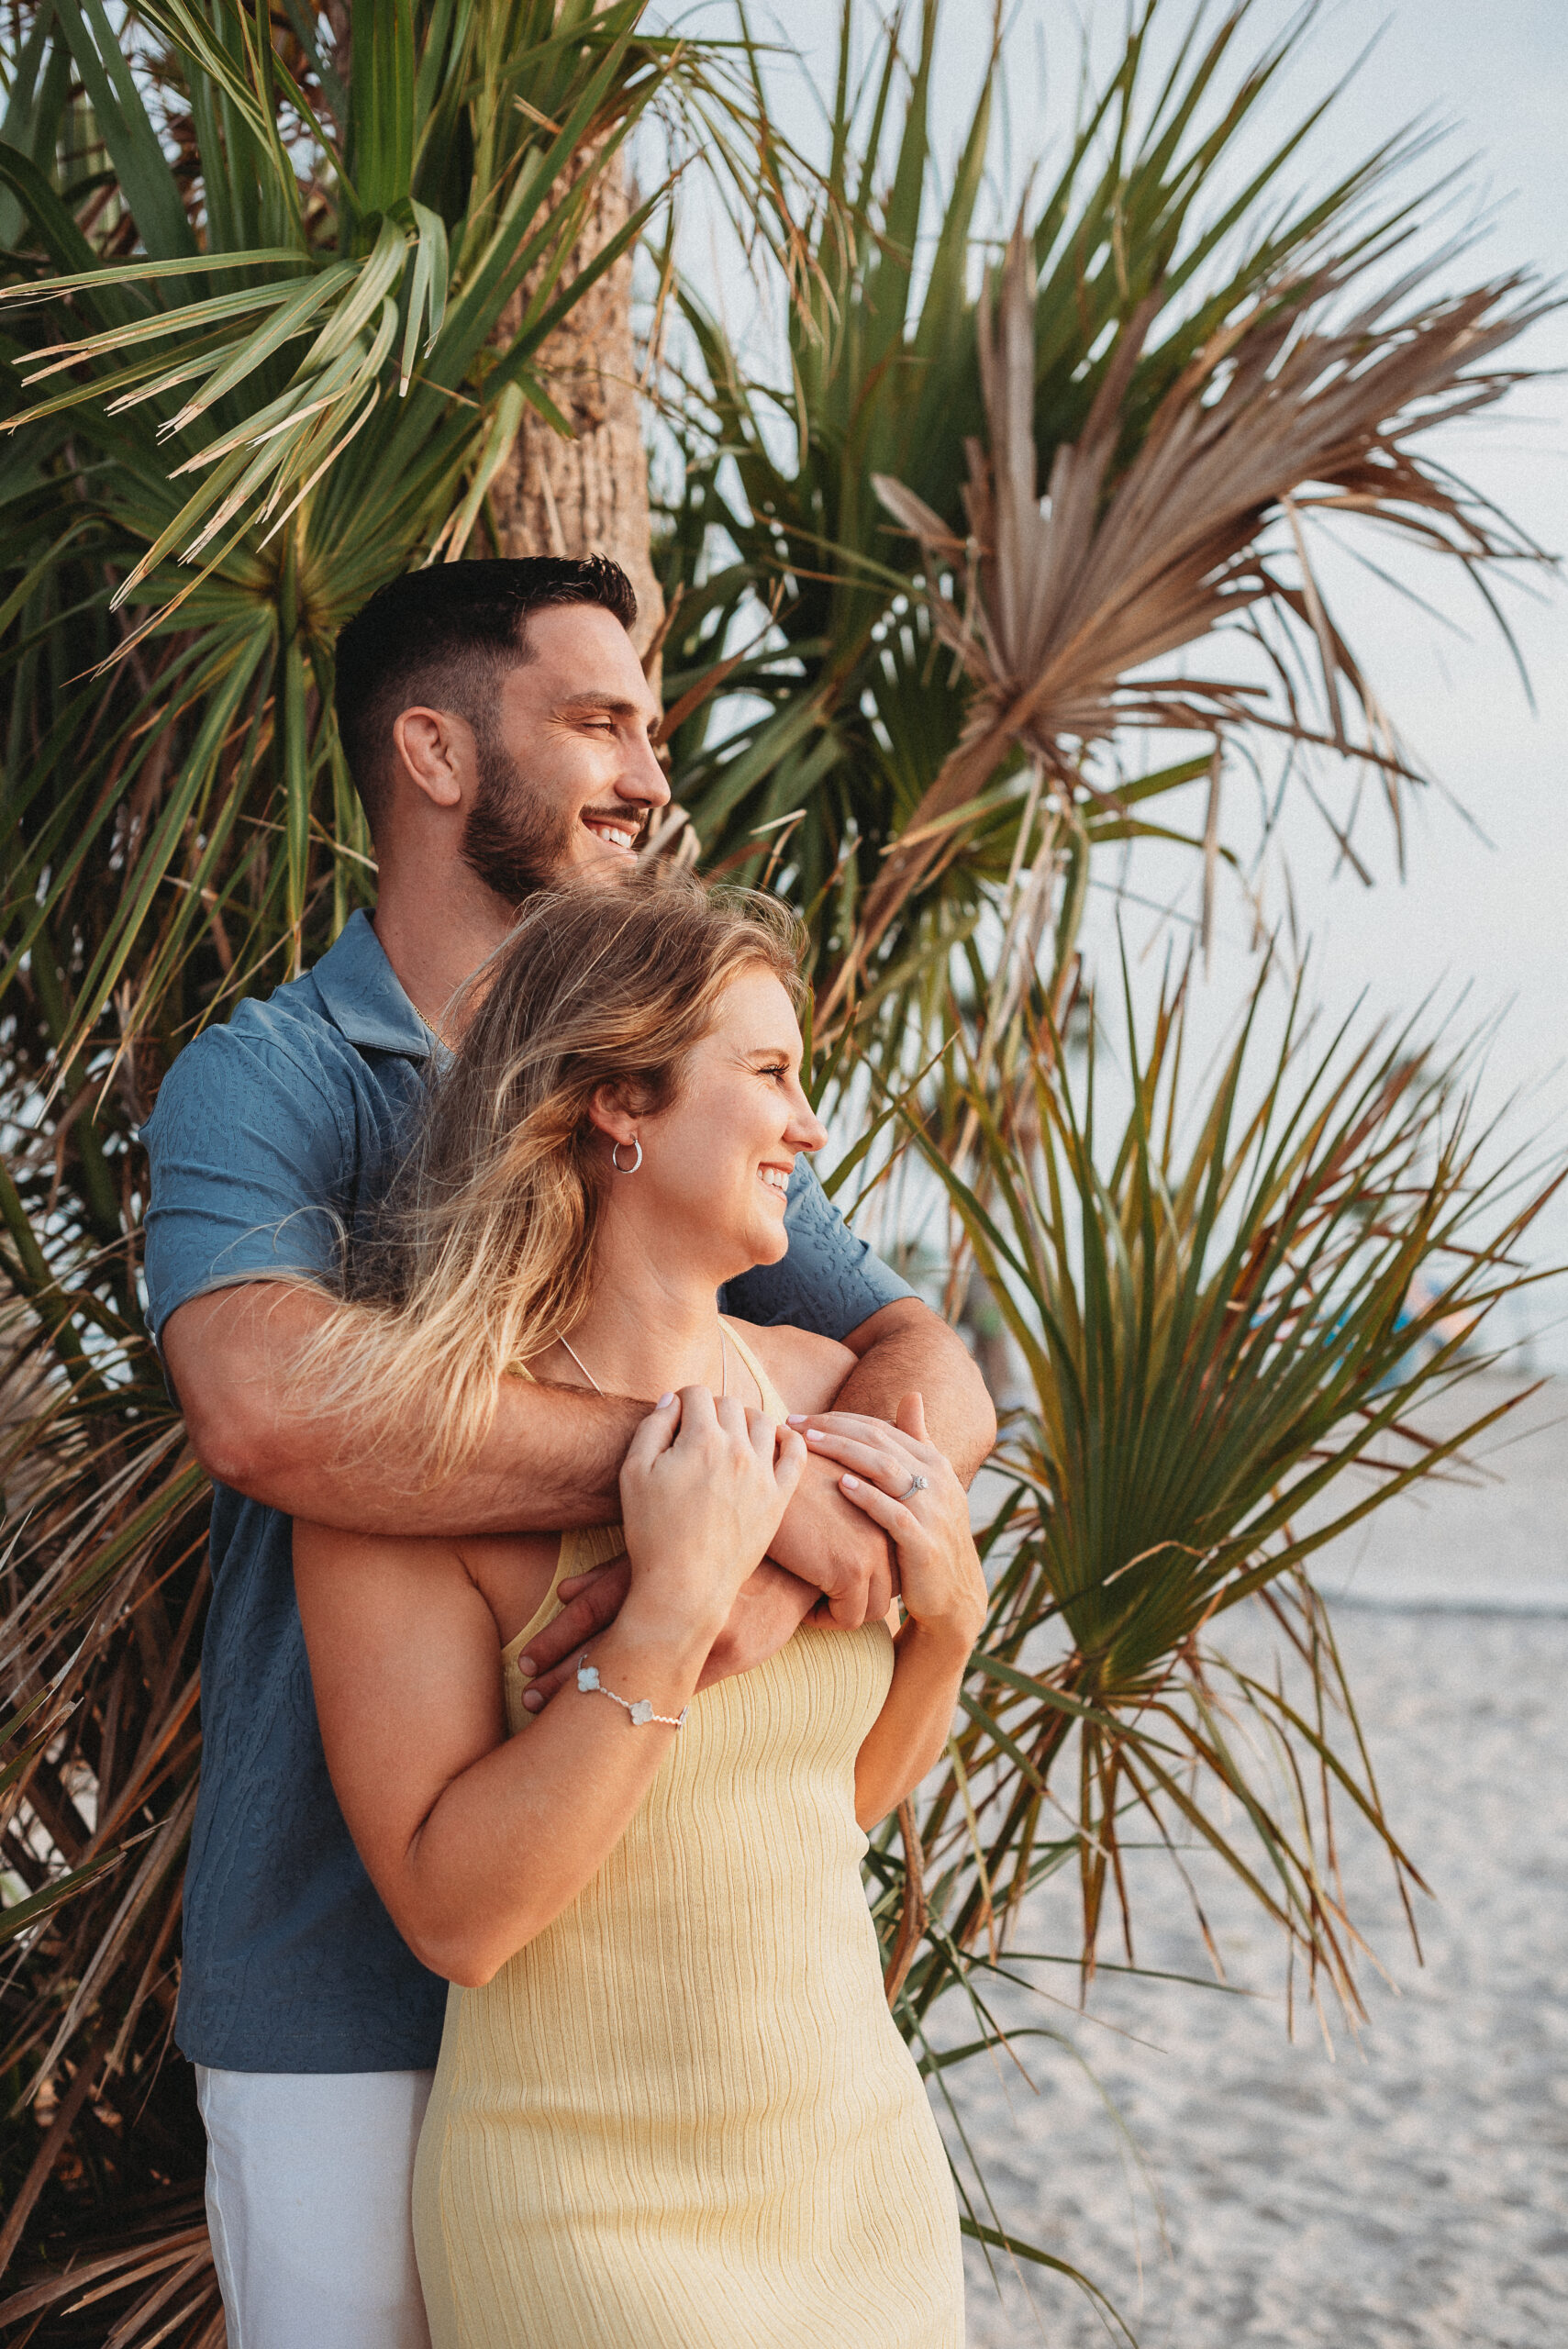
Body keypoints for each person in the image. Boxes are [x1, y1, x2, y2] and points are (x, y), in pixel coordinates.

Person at [140, 556, 995, 2349]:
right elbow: (268, 1405)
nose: (647, 775)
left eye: (651, 729)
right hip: (345, 1970)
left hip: (670, 1990)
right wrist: (706, 1491)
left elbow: (925, 1364)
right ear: (438, 751)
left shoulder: (671, 1066)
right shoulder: (283, 1072)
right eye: (600, 719)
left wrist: (804, 1524)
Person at [294, 868, 980, 2348]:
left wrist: (948, 1628)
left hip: (852, 2173)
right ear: (619, 1103)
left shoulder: (826, 1404)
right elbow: (458, 1921)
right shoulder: (421, 1468)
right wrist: (666, 1611)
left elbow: (825, 1812)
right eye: (772, 1075)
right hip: (582, 2205)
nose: (810, 1126)